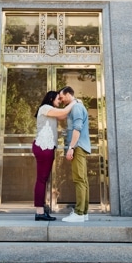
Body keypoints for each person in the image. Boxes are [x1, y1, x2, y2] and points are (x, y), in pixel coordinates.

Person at [32, 90, 72, 222]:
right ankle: (39, 212)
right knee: (41, 179)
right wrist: (75, 102)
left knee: (43, 179)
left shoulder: (51, 110)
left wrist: (71, 104)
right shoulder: (45, 108)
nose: (59, 101)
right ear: (51, 99)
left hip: (47, 147)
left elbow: (63, 115)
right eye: (58, 99)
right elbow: (62, 112)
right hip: (44, 147)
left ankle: (41, 210)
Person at [55, 85, 91, 223]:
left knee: (79, 179)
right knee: (83, 180)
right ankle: (84, 212)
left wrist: (71, 147)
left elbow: (77, 129)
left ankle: (79, 213)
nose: (61, 99)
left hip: (78, 147)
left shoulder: (76, 108)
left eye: (62, 97)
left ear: (69, 94)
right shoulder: (75, 106)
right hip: (80, 146)